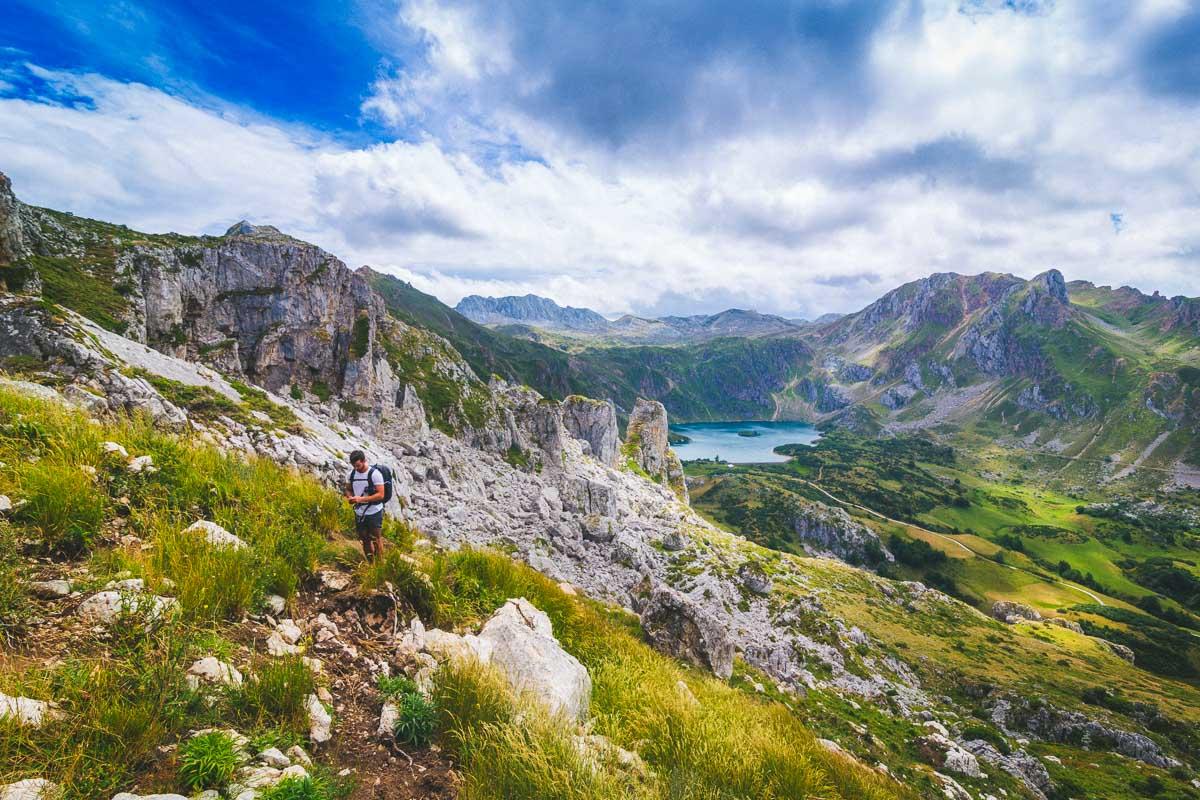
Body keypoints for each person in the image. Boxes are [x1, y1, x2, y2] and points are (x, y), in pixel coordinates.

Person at [345, 450, 385, 561]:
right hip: (359, 512)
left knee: (376, 539)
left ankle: (380, 566)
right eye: (354, 466)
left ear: (364, 461)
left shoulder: (375, 474)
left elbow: (381, 495)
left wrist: (361, 499)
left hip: (374, 511)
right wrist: (350, 497)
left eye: (358, 465)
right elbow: (348, 489)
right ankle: (370, 564)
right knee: (364, 538)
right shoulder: (351, 474)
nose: (356, 468)